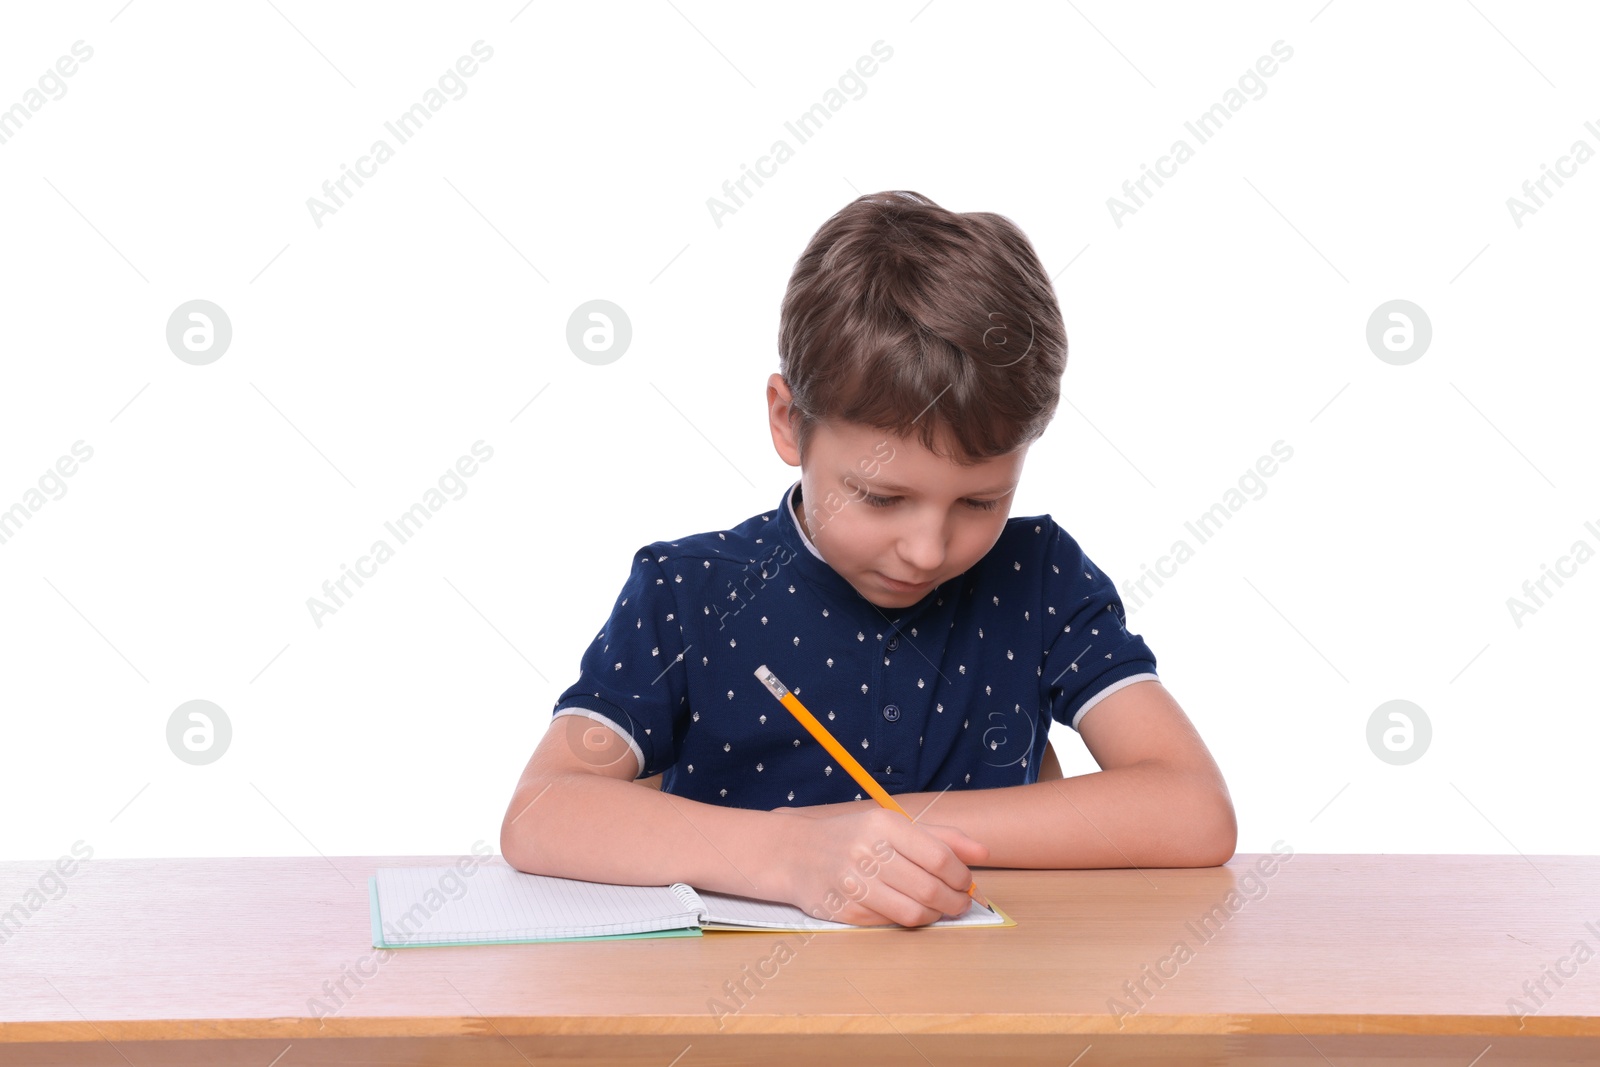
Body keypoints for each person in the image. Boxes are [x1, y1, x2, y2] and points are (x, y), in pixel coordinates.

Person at [501, 190, 1235, 927]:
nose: (926, 550)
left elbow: (1192, 808)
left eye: (980, 502)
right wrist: (790, 852)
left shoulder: (1037, 576)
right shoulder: (687, 591)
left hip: (992, 1018)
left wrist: (894, 826)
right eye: (881, 498)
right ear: (790, 423)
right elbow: (542, 810)